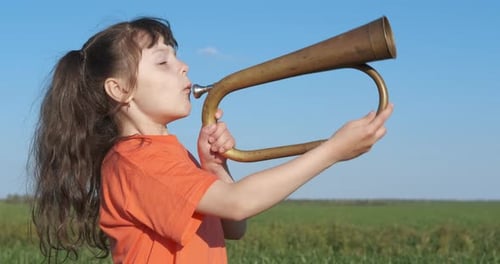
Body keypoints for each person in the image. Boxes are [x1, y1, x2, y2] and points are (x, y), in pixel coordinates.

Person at [30, 17, 394, 263]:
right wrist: (331, 151)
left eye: (177, 57)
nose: (183, 66)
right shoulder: (136, 162)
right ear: (120, 89)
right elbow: (238, 205)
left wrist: (215, 167)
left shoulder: (167, 153)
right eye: (162, 62)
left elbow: (233, 228)